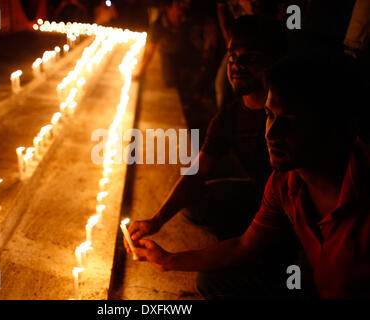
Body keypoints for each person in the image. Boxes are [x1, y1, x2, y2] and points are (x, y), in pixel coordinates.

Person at [127, 50, 369, 299]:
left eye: (292, 121)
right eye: (270, 116)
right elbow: (242, 246)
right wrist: (166, 260)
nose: (272, 134)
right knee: (214, 280)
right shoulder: (285, 182)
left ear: (340, 128)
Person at [126, 15, 300, 298]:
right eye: (232, 57)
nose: (237, 67)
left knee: (213, 281)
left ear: (273, 61)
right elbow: (196, 172)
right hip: (267, 198)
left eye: (251, 58)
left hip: (296, 223)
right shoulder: (229, 117)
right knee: (197, 199)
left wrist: (170, 261)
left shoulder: (295, 125)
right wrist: (156, 221)